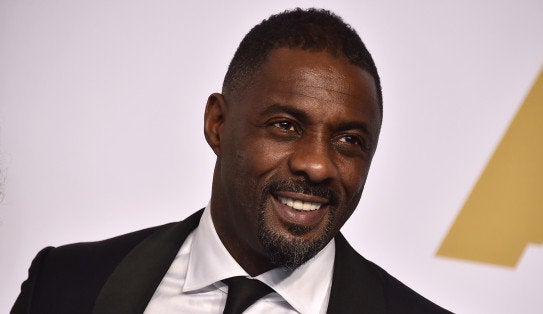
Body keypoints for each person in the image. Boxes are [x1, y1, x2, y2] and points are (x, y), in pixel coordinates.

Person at [12, 8, 450, 314]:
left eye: (349, 139)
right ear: (218, 124)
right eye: (286, 126)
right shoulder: (65, 283)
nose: (317, 165)